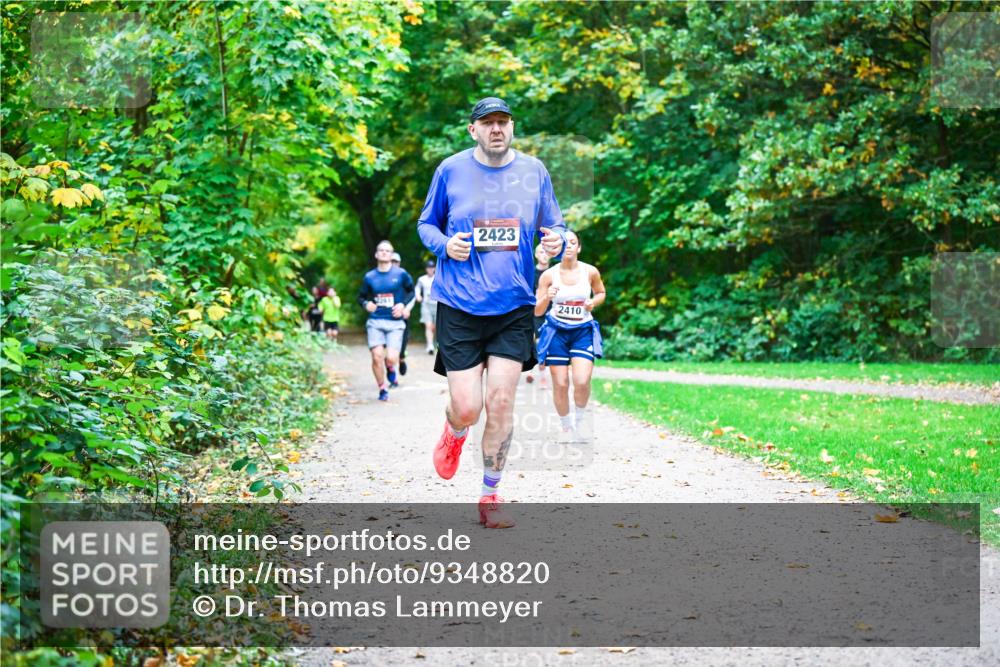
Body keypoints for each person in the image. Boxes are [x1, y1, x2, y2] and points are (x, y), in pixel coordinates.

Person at [417, 96, 566, 528]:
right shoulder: (450, 170)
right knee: (468, 407)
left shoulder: (534, 172)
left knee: (500, 402)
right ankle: (455, 431)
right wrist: (445, 245)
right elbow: (426, 225)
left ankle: (490, 495)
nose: (496, 129)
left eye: (503, 121)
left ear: (512, 127)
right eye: (488, 123)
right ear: (473, 130)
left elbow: (556, 225)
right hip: (460, 304)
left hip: (513, 304)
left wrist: (555, 241)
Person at [534, 230, 606, 442]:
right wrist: (547, 297)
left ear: (579, 247)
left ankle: (579, 422)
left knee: (582, 380)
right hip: (556, 331)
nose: (569, 246)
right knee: (561, 383)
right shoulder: (549, 275)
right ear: (558, 247)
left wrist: (593, 302)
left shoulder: (590, 271)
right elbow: (537, 311)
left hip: (582, 331)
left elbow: (601, 293)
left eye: (573, 242)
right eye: (565, 243)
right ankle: (566, 427)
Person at [357, 240, 415, 401]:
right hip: (375, 321)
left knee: (391, 358)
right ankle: (382, 388)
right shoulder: (369, 277)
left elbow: (411, 292)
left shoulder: (401, 274)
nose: (384, 252)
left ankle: (390, 366)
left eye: (387, 251)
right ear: (376, 254)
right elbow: (360, 297)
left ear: (391, 255)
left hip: (395, 322)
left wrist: (402, 305)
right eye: (381, 250)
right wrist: (366, 304)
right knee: (376, 356)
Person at [525, 244, 552, 388]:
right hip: (534, 312)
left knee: (544, 343)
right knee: (537, 342)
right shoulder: (530, 273)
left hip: (552, 312)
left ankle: (539, 373)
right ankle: (536, 373)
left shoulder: (555, 273)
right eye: (541, 252)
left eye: (546, 252)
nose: (544, 254)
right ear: (536, 255)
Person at [390, 252, 414, 378]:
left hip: (402, 313)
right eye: (392, 261)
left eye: (396, 262)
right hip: (387, 315)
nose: (394, 264)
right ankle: (391, 370)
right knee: (388, 346)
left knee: (403, 341)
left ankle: (402, 358)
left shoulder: (404, 275)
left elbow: (412, 294)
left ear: (399, 263)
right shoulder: (382, 275)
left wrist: (406, 308)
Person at [416, 259, 438, 354]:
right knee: (428, 325)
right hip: (426, 304)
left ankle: (435, 342)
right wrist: (418, 295)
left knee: (435, 327)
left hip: (437, 305)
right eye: (429, 267)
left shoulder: (438, 278)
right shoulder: (422, 279)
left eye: (432, 267)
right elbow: (417, 288)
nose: (430, 269)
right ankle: (430, 345)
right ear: (426, 269)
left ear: (435, 268)